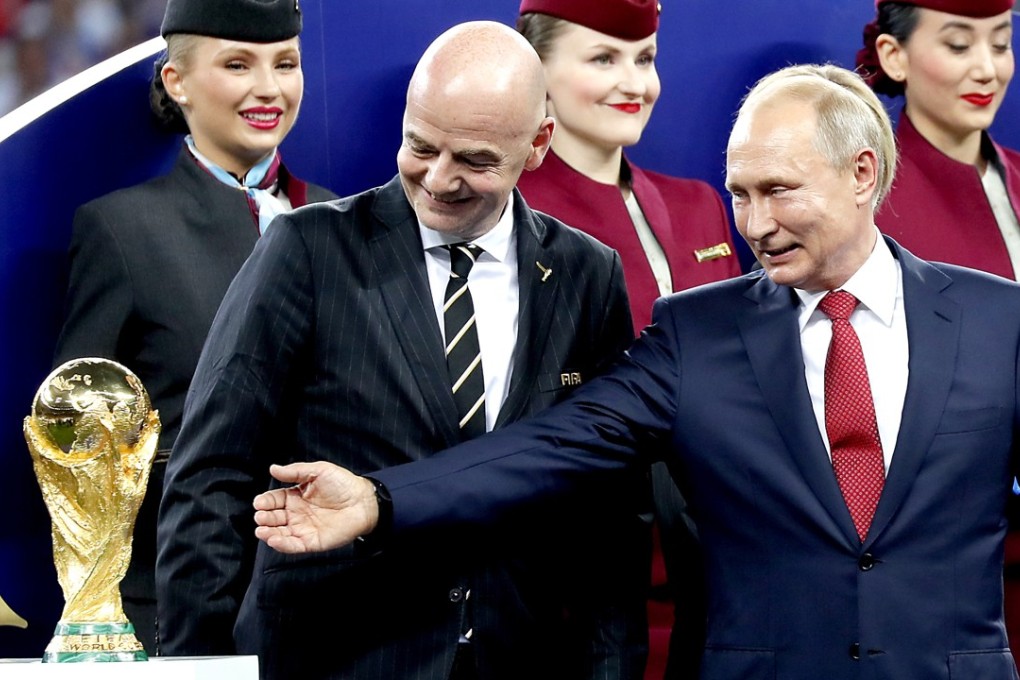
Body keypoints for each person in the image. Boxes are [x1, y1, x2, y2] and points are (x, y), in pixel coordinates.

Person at [253, 63, 1020, 680]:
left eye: (779, 192)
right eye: (740, 195)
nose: (754, 225)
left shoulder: (1001, 322)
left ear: (862, 173)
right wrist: (382, 500)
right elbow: (550, 446)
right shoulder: (698, 334)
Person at [157, 20, 650, 680]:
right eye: (420, 146)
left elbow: (608, 515)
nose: (439, 180)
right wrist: (195, 670)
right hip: (333, 658)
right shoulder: (306, 252)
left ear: (537, 145)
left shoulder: (588, 275)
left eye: (475, 160)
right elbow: (209, 479)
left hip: (517, 659)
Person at [51, 0, 336, 654]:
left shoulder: (344, 220)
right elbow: (78, 453)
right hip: (180, 609)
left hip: (330, 609)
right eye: (237, 64)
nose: (269, 87)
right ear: (176, 81)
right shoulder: (121, 230)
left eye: (285, 64)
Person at [514, 2, 742, 677]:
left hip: (714, 565)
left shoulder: (701, 202)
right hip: (576, 578)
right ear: (538, 72)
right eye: (603, 59)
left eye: (644, 58)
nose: (634, 82)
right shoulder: (511, 215)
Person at [855, 0, 1018, 278]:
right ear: (894, 55)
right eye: (959, 45)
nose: (988, 71)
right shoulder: (863, 208)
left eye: (1001, 45)